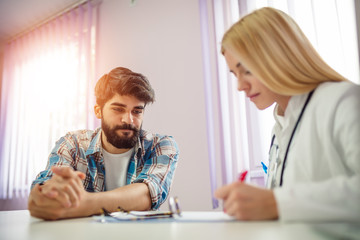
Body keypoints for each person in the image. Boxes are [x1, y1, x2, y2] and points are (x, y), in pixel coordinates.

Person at [215, 7, 360, 222]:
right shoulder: (281, 126)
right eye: (235, 74)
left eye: (246, 70)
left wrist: (276, 203)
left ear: (279, 56)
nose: (240, 86)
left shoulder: (343, 101)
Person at [28, 67, 179, 220]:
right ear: (98, 111)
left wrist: (82, 204)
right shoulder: (72, 144)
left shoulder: (161, 145)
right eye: (118, 109)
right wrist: (48, 194)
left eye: (137, 111)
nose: (129, 120)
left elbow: (147, 195)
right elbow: (44, 189)